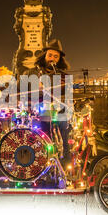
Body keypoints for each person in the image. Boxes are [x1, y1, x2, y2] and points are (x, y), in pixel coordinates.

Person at [26, 39, 72, 168]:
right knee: (40, 138)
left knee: (63, 135)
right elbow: (21, 90)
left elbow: (67, 95)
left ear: (59, 59)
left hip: (58, 112)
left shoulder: (63, 75)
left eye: (56, 56)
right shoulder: (32, 73)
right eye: (50, 55)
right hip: (38, 112)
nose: (52, 58)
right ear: (44, 55)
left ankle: (64, 167)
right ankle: (40, 165)